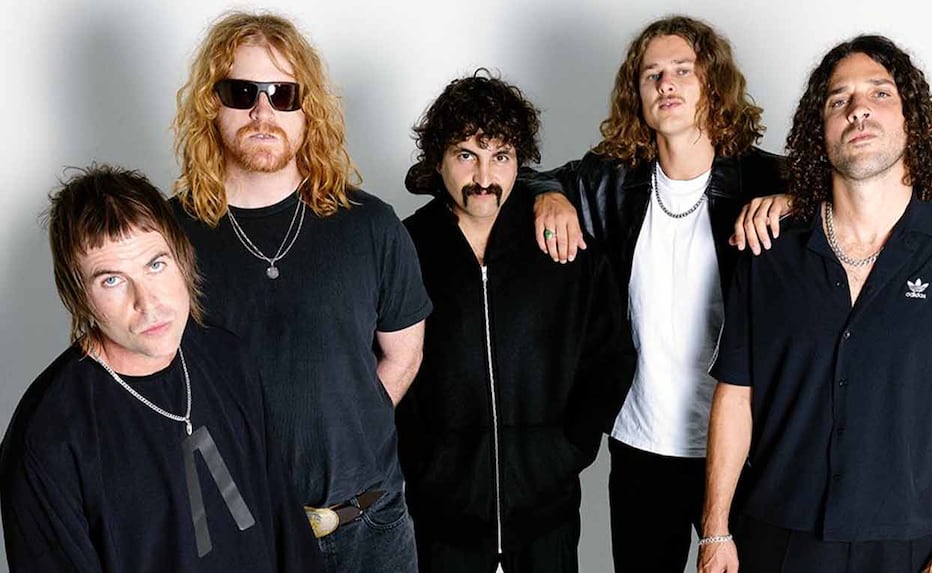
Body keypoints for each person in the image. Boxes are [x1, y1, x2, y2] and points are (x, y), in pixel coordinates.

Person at [701, 35, 932, 573]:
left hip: (914, 545)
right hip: (777, 537)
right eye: (838, 100)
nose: (858, 109)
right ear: (819, 131)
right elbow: (735, 394)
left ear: (912, 120)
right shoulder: (768, 247)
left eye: (880, 93)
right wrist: (715, 530)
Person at [170, 12, 431, 573]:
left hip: (370, 527)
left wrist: (349, 425)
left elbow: (404, 353)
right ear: (212, 104)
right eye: (242, 92)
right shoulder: (169, 236)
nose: (263, 112)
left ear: (307, 108)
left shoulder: (370, 225)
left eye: (283, 94)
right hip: (240, 535)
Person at [526, 15, 788, 572]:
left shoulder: (764, 180)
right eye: (652, 75)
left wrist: (794, 202)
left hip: (742, 447)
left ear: (713, 84)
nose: (666, 84)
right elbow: (521, 177)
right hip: (640, 444)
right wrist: (548, 195)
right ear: (637, 95)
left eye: (682, 70)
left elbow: (858, 190)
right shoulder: (611, 181)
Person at [0, 165, 322, 572]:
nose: (148, 303)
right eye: (112, 280)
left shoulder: (229, 358)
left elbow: (287, 527)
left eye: (155, 265)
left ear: (182, 258)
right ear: (78, 295)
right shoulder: (46, 437)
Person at [398, 71, 636, 573]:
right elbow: (376, 363)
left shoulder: (564, 247)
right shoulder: (402, 251)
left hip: (546, 516)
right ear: (438, 160)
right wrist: (425, 461)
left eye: (500, 156)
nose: (484, 176)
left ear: (518, 162)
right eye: (467, 155)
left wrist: (566, 450)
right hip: (442, 518)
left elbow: (611, 357)